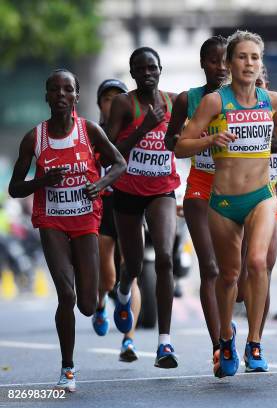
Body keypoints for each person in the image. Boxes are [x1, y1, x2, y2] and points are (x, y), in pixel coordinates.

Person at [176, 30, 277, 377]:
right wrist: (210, 138)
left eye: (254, 58)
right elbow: (181, 146)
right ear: (229, 63)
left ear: (261, 64)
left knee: (257, 264)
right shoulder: (215, 102)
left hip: (261, 195)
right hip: (224, 201)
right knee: (228, 275)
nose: (249, 63)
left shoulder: (270, 99)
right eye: (241, 57)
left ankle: (255, 342)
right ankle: (226, 337)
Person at [8, 69, 126, 391]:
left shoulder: (88, 131)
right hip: (52, 221)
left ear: (76, 96)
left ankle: (95, 297)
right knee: (66, 295)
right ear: (46, 96)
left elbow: (119, 164)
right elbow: (14, 188)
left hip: (86, 220)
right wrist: (43, 181)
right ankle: (67, 367)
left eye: (67, 90)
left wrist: (99, 185)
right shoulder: (35, 138)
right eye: (54, 90)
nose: (61, 95)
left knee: (86, 304)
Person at [106, 47, 180, 369]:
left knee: (164, 257)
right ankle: (123, 292)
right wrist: (143, 128)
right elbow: (109, 152)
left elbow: (190, 135)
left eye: (152, 67)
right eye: (140, 69)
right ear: (133, 74)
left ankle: (164, 343)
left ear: (160, 69)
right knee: (133, 265)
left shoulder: (176, 101)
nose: (147, 73)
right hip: (127, 191)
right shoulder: (125, 104)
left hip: (163, 189)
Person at [164, 35, 227, 369]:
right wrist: (195, 140)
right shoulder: (187, 100)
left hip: (238, 190)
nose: (220, 67)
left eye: (224, 61)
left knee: (239, 274)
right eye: (213, 61)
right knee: (211, 268)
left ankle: (232, 330)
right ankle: (219, 345)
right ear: (203, 64)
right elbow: (170, 141)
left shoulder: (246, 100)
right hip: (201, 188)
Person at [91, 78, 142, 363]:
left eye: (118, 97)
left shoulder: (135, 130)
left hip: (132, 202)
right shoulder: (90, 132)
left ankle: (128, 340)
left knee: (130, 271)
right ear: (100, 103)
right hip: (102, 205)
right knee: (108, 275)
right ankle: (100, 303)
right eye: (107, 98)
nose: (113, 103)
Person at [236, 65, 277, 340]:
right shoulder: (235, 117)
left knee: (262, 267)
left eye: (262, 83)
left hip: (268, 202)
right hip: (236, 202)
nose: (257, 90)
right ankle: (226, 334)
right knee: (240, 287)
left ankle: (256, 341)